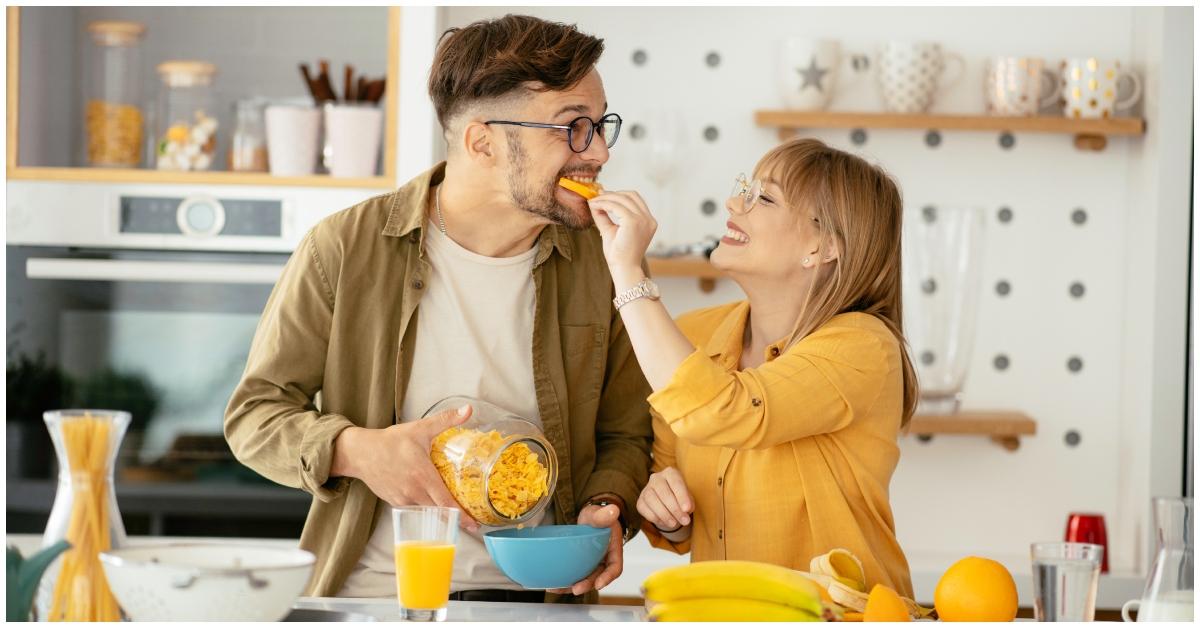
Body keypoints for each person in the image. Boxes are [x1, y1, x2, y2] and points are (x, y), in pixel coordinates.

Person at [224, 14, 653, 602]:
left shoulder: (608, 262)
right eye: (571, 128)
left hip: (543, 603)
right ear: (482, 142)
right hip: (372, 597)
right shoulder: (345, 248)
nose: (598, 151)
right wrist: (359, 450)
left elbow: (627, 432)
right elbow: (254, 417)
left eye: (600, 125)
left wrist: (608, 503)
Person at [587, 137, 916, 597]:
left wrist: (626, 269)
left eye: (764, 198)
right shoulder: (693, 336)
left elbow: (727, 410)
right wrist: (669, 512)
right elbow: (676, 492)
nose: (733, 202)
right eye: (748, 188)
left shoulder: (862, 346)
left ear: (822, 247)